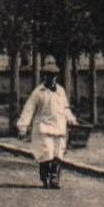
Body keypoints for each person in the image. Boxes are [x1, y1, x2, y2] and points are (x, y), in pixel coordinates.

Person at [18, 60, 76, 189]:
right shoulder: (38, 92)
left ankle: (55, 180)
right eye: (48, 75)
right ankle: (45, 178)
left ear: (56, 76)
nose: (51, 78)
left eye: (53, 75)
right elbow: (28, 109)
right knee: (46, 154)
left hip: (59, 127)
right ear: (44, 76)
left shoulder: (60, 91)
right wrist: (23, 127)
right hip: (43, 128)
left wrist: (71, 119)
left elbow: (65, 107)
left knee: (58, 154)